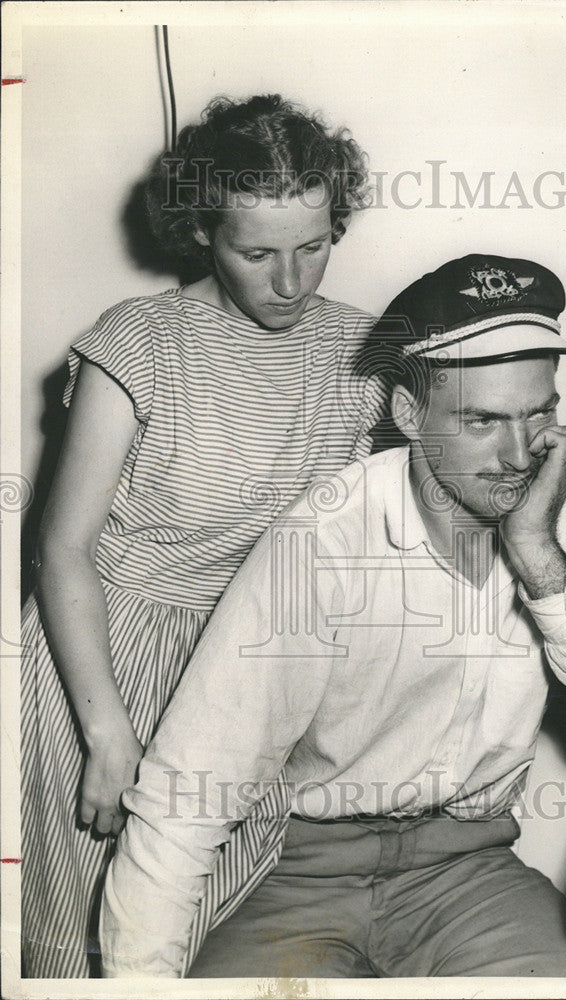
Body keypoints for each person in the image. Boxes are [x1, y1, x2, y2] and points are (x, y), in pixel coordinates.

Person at [99, 255, 566, 979]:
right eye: (481, 420)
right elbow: (184, 798)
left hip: (465, 870)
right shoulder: (320, 541)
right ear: (407, 415)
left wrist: (544, 562)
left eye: (537, 412)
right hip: (289, 873)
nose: (519, 454)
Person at [20, 93, 384, 978]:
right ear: (199, 233)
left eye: (313, 246)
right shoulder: (137, 343)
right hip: (105, 663)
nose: (291, 283)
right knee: (90, 956)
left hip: (253, 673)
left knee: (209, 948)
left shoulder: (369, 351)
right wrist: (106, 734)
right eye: (255, 252)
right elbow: (62, 549)